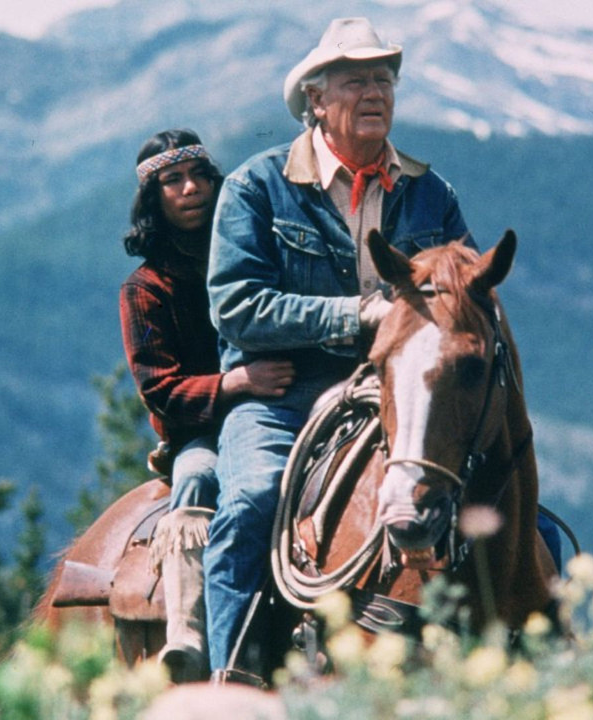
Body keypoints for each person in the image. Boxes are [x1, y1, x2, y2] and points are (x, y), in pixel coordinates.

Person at [203, 18, 472, 683]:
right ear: (315, 101)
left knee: (509, 506)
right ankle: (231, 680)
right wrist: (358, 315)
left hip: (402, 401)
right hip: (282, 395)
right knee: (252, 503)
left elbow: (466, 294)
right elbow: (235, 306)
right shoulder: (257, 187)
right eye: (356, 80)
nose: (375, 91)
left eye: (384, 78)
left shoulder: (432, 194)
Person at [118, 129, 294, 683]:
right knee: (197, 476)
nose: (191, 189)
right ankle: (189, 636)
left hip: (278, 409)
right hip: (201, 430)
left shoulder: (253, 254)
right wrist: (237, 382)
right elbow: (162, 392)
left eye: (200, 176)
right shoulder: (146, 289)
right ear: (154, 198)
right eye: (173, 180)